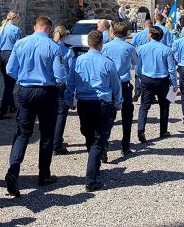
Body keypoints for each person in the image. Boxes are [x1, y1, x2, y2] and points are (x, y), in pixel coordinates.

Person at [4, 16, 65, 197]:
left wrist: (23, 79)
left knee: (23, 133)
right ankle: (43, 174)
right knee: (46, 134)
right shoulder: (53, 47)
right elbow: (60, 77)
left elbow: (9, 69)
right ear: (49, 29)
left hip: (25, 90)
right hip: (46, 92)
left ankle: (13, 171)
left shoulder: (21, 43)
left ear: (35, 26)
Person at [66, 30, 122, 192]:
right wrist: (118, 102)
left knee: (90, 137)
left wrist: (70, 100)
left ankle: (94, 166)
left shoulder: (77, 62)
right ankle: (91, 179)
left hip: (84, 103)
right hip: (102, 104)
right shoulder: (107, 62)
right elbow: (115, 85)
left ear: (88, 43)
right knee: (98, 140)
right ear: (101, 44)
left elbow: (70, 83)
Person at [135, 26, 177, 143]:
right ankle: (163, 131)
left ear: (149, 35)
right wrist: (175, 83)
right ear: (161, 37)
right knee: (164, 106)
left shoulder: (141, 49)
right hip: (162, 80)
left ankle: (141, 129)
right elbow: (171, 69)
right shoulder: (167, 49)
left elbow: (138, 67)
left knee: (144, 106)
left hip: (147, 79)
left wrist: (140, 78)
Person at [101, 22, 138, 157]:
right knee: (127, 116)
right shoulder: (129, 47)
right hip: (123, 84)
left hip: (109, 85)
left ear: (113, 32)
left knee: (109, 116)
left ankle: (104, 145)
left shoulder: (105, 47)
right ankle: (125, 146)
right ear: (126, 33)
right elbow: (135, 63)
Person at [0, 11, 23, 120]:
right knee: (10, 85)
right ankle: (3, 111)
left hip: (2, 57)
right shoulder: (16, 30)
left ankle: (12, 106)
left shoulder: (1, 29)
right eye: (18, 19)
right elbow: (18, 47)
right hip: (11, 56)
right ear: (14, 18)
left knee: (8, 83)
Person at [53, 25, 76, 155]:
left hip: (49, 84)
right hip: (63, 84)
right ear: (65, 36)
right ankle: (57, 144)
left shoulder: (50, 47)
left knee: (51, 114)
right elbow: (72, 73)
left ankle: (54, 139)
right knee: (61, 114)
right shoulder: (68, 51)